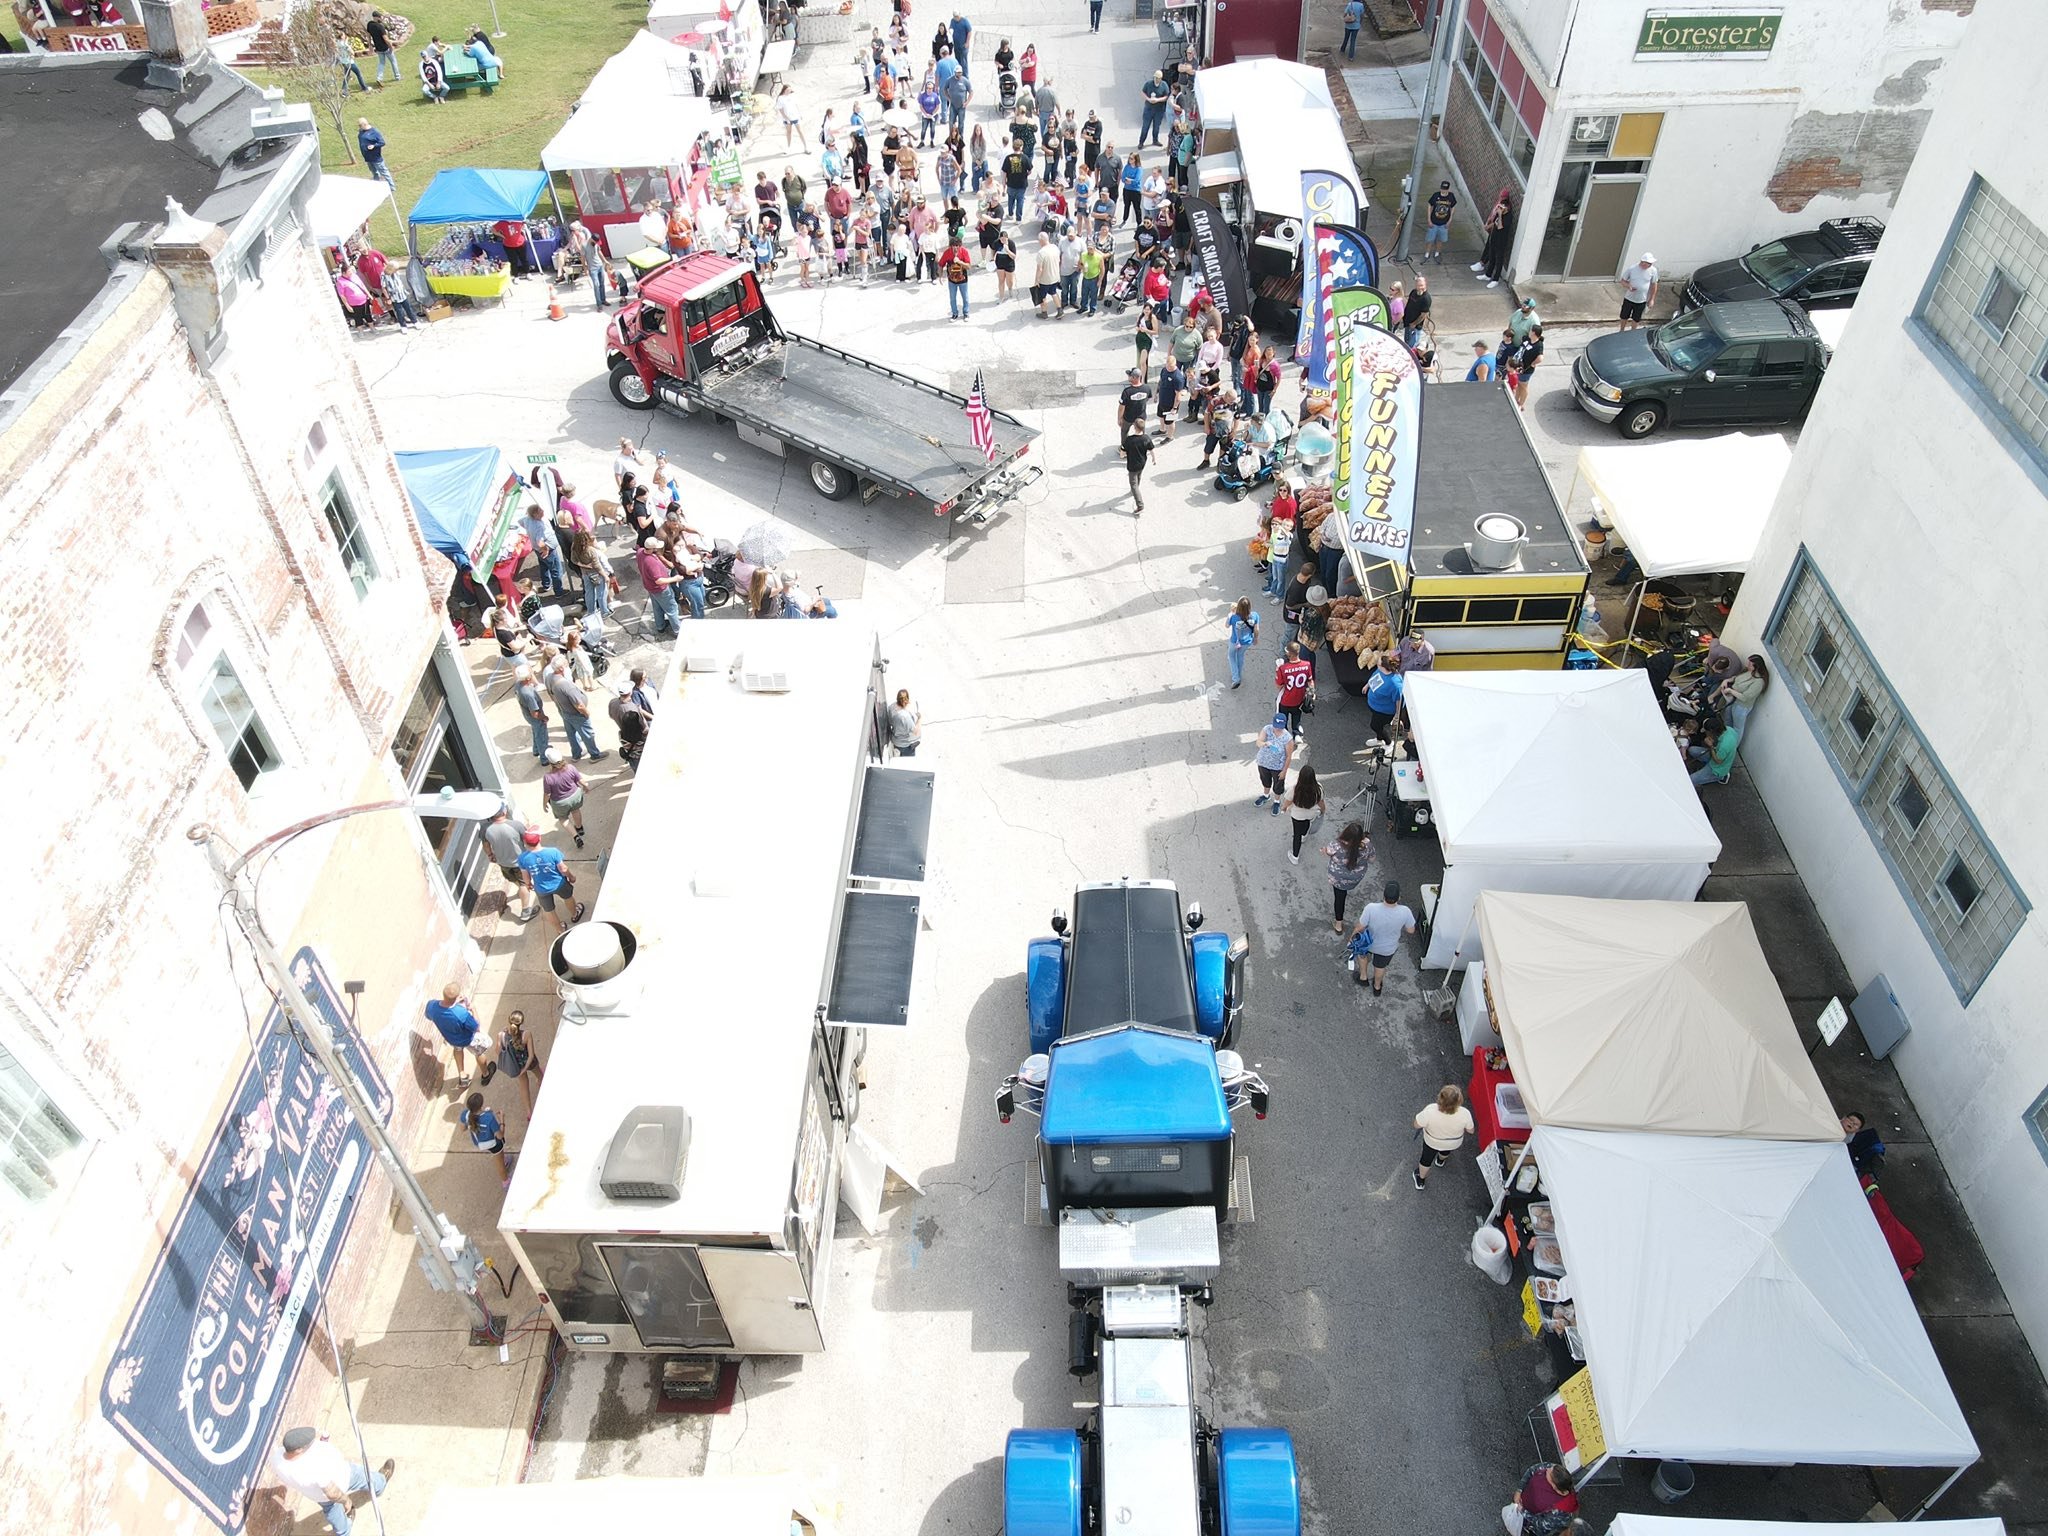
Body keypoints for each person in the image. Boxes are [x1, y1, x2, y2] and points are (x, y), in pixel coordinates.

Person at [272, 1427, 393, 1536]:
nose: (311, 1444)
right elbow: (332, 1492)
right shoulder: (311, 1468)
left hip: (317, 1496)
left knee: (331, 1511)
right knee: (364, 1477)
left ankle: (343, 1532)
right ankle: (380, 1484)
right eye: (308, 1445)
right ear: (298, 1450)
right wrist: (346, 1501)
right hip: (344, 1477)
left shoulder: (278, 1457)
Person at [1349, 881, 1417, 996]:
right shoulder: (1405, 911)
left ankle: (1363, 978)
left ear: (1383, 896)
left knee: (1362, 956)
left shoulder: (1371, 908)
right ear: (1398, 897)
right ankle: (1377, 987)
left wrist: (1351, 937)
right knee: (1380, 967)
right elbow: (1411, 930)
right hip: (1387, 949)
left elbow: (1360, 926)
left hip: (1368, 943)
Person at [424, 981, 495, 1088]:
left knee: (458, 1049)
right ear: (456, 997)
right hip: (468, 1039)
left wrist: (454, 1003)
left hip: (452, 1039)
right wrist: (472, 1008)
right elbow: (476, 1026)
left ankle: (462, 1075)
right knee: (479, 1053)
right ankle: (486, 1074)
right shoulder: (461, 1013)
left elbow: (428, 1015)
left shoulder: (432, 1006)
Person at [517, 827, 585, 932]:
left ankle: (560, 930)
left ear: (525, 842)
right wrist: (571, 876)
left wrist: (528, 884)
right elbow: (563, 869)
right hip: (559, 883)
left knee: (549, 910)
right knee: (568, 898)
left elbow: (525, 875)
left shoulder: (522, 858)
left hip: (541, 888)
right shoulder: (553, 852)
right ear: (539, 838)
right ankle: (575, 914)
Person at [1413, 1085, 1476, 1188]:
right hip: (1452, 1142)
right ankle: (1440, 1161)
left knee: (1426, 1159)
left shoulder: (1430, 1110)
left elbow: (1416, 1124)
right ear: (1459, 1101)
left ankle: (1420, 1180)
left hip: (1432, 1141)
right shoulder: (1465, 1113)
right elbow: (1471, 1131)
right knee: (1446, 1150)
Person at [1502, 1464, 1581, 1536]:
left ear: (1554, 1486)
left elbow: (1541, 1525)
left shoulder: (1560, 1511)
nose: (1547, 1469)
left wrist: (1522, 1511)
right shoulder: (1553, 1470)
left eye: (1549, 1473)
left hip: (1530, 1525)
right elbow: (1531, 1470)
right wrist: (1519, 1490)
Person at [1325, 821, 1371, 933]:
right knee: (1343, 893)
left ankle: (1338, 924)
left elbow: (1328, 852)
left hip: (1338, 878)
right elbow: (1372, 859)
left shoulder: (1336, 845)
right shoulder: (1366, 846)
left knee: (1339, 898)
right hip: (1356, 877)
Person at [541, 750, 590, 847]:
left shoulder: (548, 777)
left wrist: (544, 804)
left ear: (551, 763)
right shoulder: (571, 768)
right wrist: (586, 787)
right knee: (576, 811)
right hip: (575, 796)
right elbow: (580, 780)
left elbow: (547, 793)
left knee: (563, 818)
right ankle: (579, 828)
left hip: (560, 802)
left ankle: (576, 836)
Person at [462, 1090, 511, 1183]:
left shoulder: (466, 1115)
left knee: (499, 1156)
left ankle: (504, 1160)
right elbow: (500, 1136)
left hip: (481, 1143)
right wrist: (502, 1120)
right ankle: (506, 1181)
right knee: (499, 1163)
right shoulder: (489, 1118)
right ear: (481, 1105)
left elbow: (462, 1128)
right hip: (495, 1144)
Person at [1281, 763, 1326, 863]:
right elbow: (1321, 802)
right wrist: (1323, 811)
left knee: (1296, 834)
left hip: (1297, 815)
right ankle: (1304, 836)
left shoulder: (1295, 789)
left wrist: (1284, 808)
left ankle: (1295, 856)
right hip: (1311, 814)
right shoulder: (1318, 788)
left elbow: (1287, 802)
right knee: (1307, 823)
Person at [1713, 652, 1769, 731]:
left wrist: (1730, 691)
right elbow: (1737, 678)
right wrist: (1727, 680)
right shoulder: (1748, 672)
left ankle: (1735, 742)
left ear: (1756, 667)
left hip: (1741, 706)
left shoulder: (1759, 682)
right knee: (1727, 721)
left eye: (1750, 664)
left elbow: (1745, 698)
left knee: (1737, 728)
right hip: (1731, 700)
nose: (1747, 665)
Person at [1252, 714, 1295, 807]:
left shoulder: (1288, 738)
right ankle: (1266, 795)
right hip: (1263, 763)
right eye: (1276, 726)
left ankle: (1277, 801)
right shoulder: (1267, 729)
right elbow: (1258, 742)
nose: (1277, 729)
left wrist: (1284, 771)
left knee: (1278, 786)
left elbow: (1288, 756)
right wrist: (1264, 744)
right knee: (1265, 781)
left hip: (1277, 767)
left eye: (1280, 727)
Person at [1474, 188, 1514, 286]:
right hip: (1494, 237)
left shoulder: (1508, 217)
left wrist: (1500, 215)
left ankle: (1495, 279)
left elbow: (1500, 226)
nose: (1500, 209)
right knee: (1491, 256)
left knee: (1498, 259)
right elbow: (1494, 224)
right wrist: (1488, 226)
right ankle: (1488, 274)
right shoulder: (1499, 214)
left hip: (1501, 240)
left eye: (1502, 208)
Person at [1275, 642, 1313, 738]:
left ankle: (1286, 736)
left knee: (1283, 717)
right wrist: (1311, 694)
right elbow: (1310, 681)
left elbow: (1279, 685)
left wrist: (1277, 671)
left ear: (1289, 654)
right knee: (1296, 715)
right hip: (1298, 699)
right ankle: (1297, 734)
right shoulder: (1307, 665)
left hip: (1285, 700)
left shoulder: (1283, 668)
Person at [1364, 653, 1405, 741]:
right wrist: (1367, 685)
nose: (1376, 665)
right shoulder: (1380, 670)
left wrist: (1397, 716)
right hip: (1374, 705)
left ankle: (1388, 742)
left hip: (1384, 711)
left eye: (1378, 663)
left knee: (1375, 726)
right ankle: (1379, 738)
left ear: (1384, 666)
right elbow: (1374, 676)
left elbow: (1399, 700)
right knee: (1377, 724)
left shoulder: (1395, 684)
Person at [1689, 718, 1740, 787]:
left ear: (1711, 731)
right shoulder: (1729, 729)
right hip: (1716, 753)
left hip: (1717, 768)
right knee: (1692, 750)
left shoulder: (1724, 745)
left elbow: (1717, 761)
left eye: (1706, 731)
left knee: (1691, 780)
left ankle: (1721, 776)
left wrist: (1711, 746)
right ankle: (1706, 765)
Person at [1225, 596, 1259, 688]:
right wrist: (1255, 639)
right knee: (1240, 656)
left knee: (1231, 656)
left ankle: (1236, 678)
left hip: (1234, 641)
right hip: (1247, 642)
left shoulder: (1234, 617)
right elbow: (1256, 629)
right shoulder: (1255, 615)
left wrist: (1230, 613)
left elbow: (1227, 625)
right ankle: (1238, 675)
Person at [1620, 252, 1659, 329]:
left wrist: (1652, 299)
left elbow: (1654, 285)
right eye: (1648, 263)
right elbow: (1623, 281)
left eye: (1650, 263)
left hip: (1641, 300)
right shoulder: (1632, 268)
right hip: (1629, 298)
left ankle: (1632, 332)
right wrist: (1629, 286)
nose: (1650, 265)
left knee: (1636, 318)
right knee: (1624, 316)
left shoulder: (1653, 270)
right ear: (1643, 262)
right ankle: (1621, 330)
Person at [1842, 1112, 1887, 1176]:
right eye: (1851, 1120)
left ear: (1857, 1130)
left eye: (1855, 1124)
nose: (1851, 1124)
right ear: (1844, 1118)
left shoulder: (1850, 1139)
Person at [1423, 180, 1457, 263]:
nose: (1443, 190)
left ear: (1448, 189)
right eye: (1442, 189)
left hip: (1444, 223)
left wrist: (1450, 220)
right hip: (1434, 222)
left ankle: (1437, 253)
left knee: (1440, 240)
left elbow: (1453, 207)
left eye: (1445, 189)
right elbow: (1429, 206)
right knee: (1430, 239)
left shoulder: (1451, 196)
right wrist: (1429, 219)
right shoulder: (1436, 196)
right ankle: (1427, 253)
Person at [1122, 422, 1152, 515]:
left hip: (1132, 465)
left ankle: (1140, 506)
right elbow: (1151, 449)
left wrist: (1123, 454)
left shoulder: (1130, 440)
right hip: (1142, 463)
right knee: (1138, 476)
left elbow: (1122, 453)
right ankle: (1136, 491)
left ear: (1134, 427)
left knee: (1133, 484)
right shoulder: (1146, 438)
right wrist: (1154, 459)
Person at [941, 233, 973, 317]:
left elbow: (969, 266)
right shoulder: (947, 253)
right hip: (951, 280)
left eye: (957, 246)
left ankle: (966, 313)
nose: (955, 248)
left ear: (960, 246)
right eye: (953, 246)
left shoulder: (964, 251)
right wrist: (940, 276)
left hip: (963, 279)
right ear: (950, 246)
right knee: (952, 298)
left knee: (965, 297)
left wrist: (960, 262)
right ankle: (954, 313)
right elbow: (941, 264)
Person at [365, 9, 399, 83]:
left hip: (378, 48)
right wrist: (391, 47)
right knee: (393, 61)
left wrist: (370, 45)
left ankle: (379, 78)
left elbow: (368, 35)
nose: (381, 18)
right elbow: (386, 39)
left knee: (381, 63)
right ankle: (397, 76)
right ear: (377, 17)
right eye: (380, 17)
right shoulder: (380, 27)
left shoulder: (369, 25)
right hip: (385, 48)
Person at [1139, 69, 1170, 147]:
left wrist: (1157, 100)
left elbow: (1166, 96)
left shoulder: (1164, 85)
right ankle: (1141, 142)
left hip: (1159, 110)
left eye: (1158, 78)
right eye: (1155, 77)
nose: (1156, 79)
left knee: (1156, 126)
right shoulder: (1148, 84)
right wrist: (1148, 99)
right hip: (1148, 109)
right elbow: (1143, 93)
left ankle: (1155, 140)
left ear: (1161, 78)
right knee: (1145, 126)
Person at [1402, 273, 1432, 351]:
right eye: (1418, 285)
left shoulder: (1426, 298)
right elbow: (1408, 304)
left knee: (1412, 347)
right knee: (1406, 343)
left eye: (1421, 285)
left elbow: (1423, 315)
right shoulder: (1413, 292)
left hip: (1415, 327)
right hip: (1407, 322)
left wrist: (1414, 324)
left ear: (1425, 285)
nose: (1419, 287)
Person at [888, 689, 922, 756]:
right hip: (905, 745)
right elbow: (916, 732)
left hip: (895, 741)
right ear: (907, 700)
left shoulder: (891, 707)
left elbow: (890, 722)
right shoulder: (905, 717)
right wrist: (919, 719)